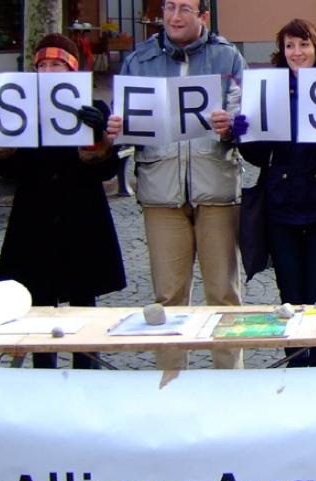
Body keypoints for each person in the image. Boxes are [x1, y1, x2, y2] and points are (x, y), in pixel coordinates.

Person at [105, 0, 245, 371]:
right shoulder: (140, 60)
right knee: (167, 299)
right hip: (160, 190)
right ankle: (171, 383)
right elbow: (127, 127)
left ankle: (231, 385)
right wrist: (116, 132)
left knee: (224, 296)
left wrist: (233, 126)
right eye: (169, 7)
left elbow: (247, 119)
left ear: (203, 16)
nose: (175, 16)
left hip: (216, 187)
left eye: (185, 8)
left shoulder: (228, 58)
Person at [0, 34, 126, 369]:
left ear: (72, 68)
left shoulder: (94, 108)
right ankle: (43, 374)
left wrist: (100, 136)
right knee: (38, 305)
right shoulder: (18, 111)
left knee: (83, 304)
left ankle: (87, 369)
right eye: (42, 65)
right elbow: (7, 167)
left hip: (82, 216)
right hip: (35, 217)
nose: (48, 71)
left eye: (56, 64)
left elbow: (106, 171)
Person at [235, 19, 316, 367]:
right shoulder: (268, 90)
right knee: (290, 297)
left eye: (303, 45)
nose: (297, 52)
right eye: (290, 46)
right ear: (282, 51)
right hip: (282, 206)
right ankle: (297, 364)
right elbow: (259, 157)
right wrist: (244, 135)